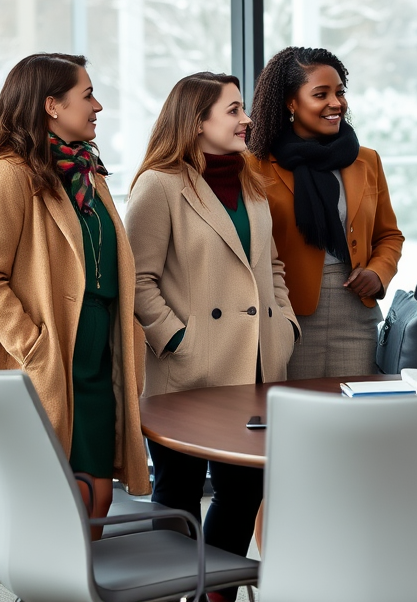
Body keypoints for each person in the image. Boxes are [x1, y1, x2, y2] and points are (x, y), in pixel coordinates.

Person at [127, 72, 298, 602]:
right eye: (234, 109)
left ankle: (213, 593)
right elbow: (137, 277)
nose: (247, 119)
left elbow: (269, 264)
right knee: (177, 494)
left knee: (245, 488)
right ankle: (166, 588)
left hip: (255, 366)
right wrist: (176, 339)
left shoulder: (249, 179)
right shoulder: (159, 184)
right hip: (190, 371)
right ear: (197, 121)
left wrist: (284, 326)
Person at [0, 53, 150, 539]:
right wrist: (35, 346)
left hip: (96, 359)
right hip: (48, 363)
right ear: (51, 105)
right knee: (68, 507)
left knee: (97, 496)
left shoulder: (89, 171)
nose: (98, 106)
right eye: (87, 94)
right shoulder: (7, 176)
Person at [248, 46, 404, 379]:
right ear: (292, 102)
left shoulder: (367, 160)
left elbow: (389, 234)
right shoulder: (254, 165)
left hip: (356, 312)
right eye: (321, 94)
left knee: (356, 421)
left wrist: (379, 272)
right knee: (295, 419)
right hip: (287, 313)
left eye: (340, 92)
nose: (336, 103)